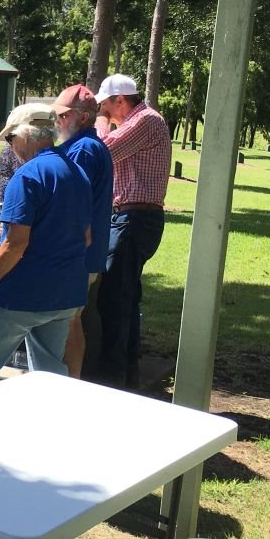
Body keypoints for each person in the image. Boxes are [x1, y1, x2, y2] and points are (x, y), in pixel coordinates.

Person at [0, 105, 91, 389]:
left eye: (10, 139)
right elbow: (87, 237)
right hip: (65, 293)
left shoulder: (28, 175)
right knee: (49, 374)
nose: (10, 147)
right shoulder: (77, 172)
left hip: (23, 293)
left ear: (25, 135)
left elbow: (15, 243)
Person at [93, 73, 171, 387]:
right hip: (132, 218)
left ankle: (113, 376)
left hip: (134, 219)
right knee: (125, 296)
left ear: (120, 100)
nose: (105, 112)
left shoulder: (147, 121)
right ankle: (127, 370)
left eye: (106, 106)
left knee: (113, 298)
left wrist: (99, 123)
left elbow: (104, 151)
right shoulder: (139, 121)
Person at [52, 85, 114, 379]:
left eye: (64, 115)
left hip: (79, 251)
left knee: (69, 320)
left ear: (84, 117)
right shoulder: (85, 145)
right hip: (84, 250)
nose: (58, 121)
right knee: (70, 319)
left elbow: (72, 198)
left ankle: (71, 382)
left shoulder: (84, 149)